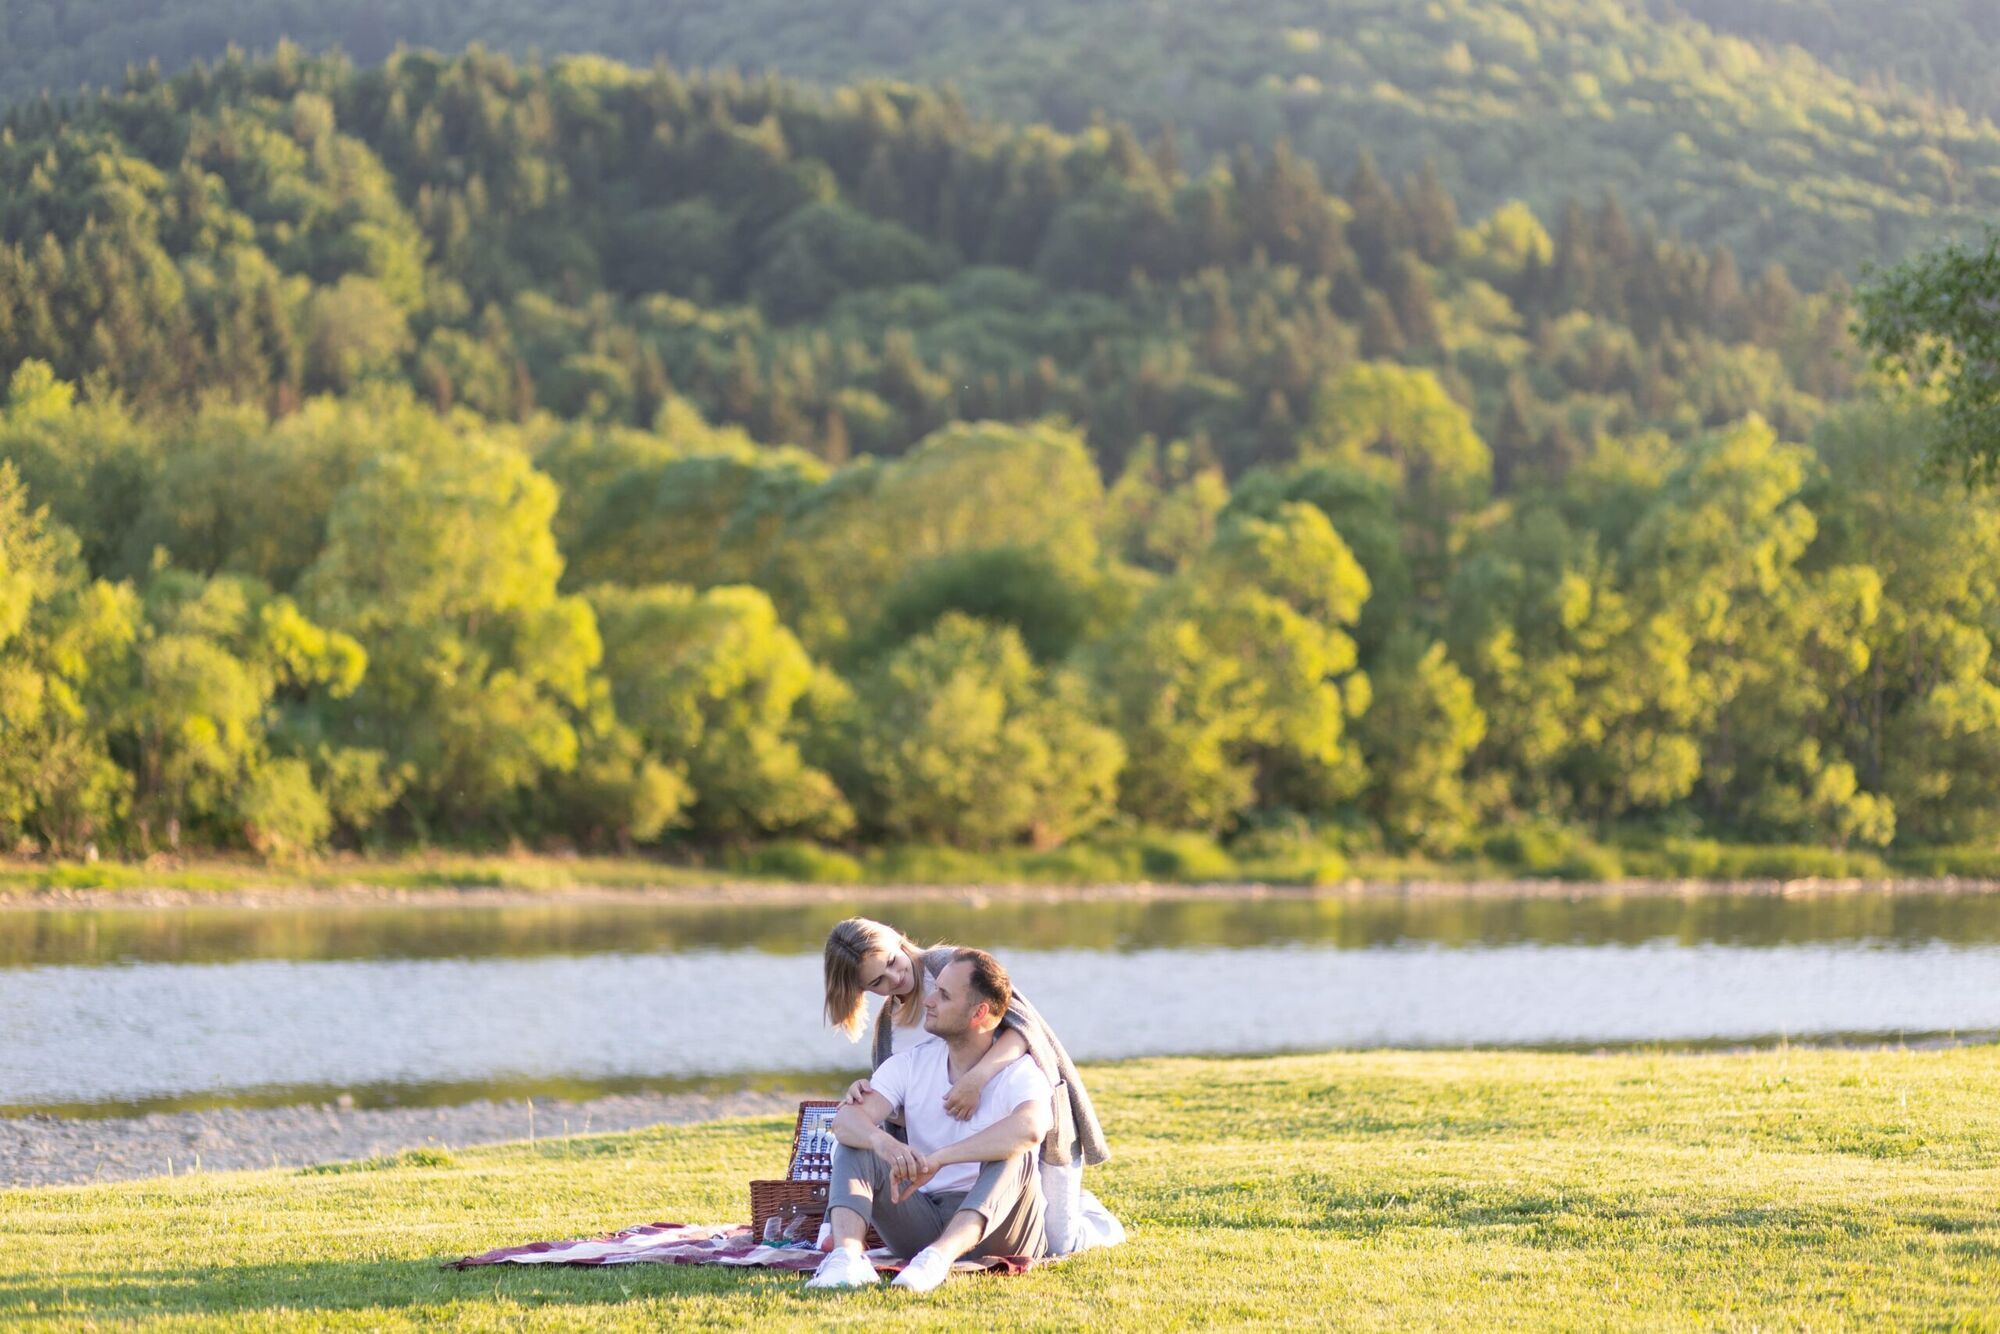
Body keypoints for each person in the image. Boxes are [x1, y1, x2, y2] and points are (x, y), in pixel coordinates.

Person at [821, 917, 1112, 1255]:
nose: (895, 978)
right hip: (947, 1167)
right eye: (878, 982)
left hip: (1016, 1128)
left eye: (891, 963)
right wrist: (869, 1096)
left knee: (1060, 1243)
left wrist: (977, 1078)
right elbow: (899, 1104)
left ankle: (1091, 1216)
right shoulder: (889, 1027)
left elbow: (1022, 1028)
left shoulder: (949, 966)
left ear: (896, 940)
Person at [807, 949, 1052, 1292]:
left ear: (979, 1012)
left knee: (1016, 1153)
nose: (928, 1001)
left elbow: (1030, 1128)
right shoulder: (909, 1065)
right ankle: (846, 1260)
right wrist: (882, 1141)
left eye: (944, 995)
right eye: (935, 989)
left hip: (1002, 1231)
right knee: (856, 1142)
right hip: (922, 1221)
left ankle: (938, 1259)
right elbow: (846, 1122)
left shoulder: (1020, 1073)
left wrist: (939, 1159)